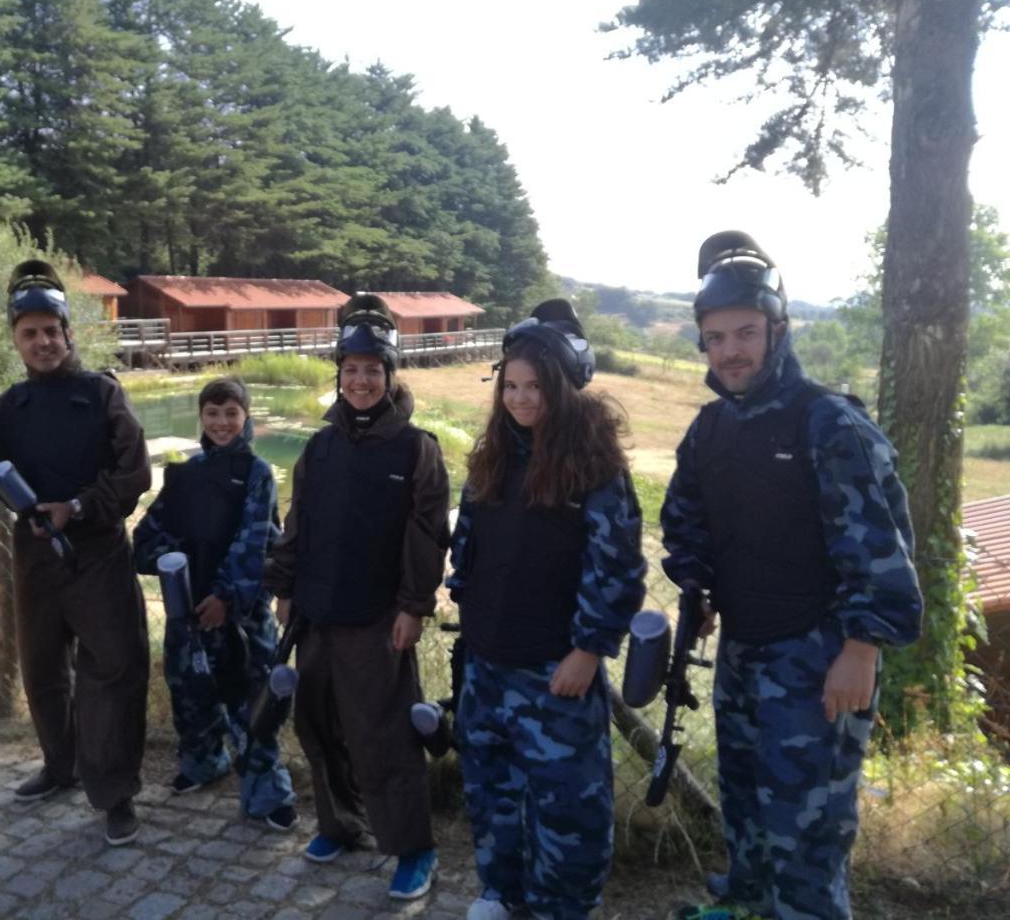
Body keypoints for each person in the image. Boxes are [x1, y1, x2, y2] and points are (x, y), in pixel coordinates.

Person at [661, 232, 923, 920]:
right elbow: (684, 523)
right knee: (746, 814)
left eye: (745, 333)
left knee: (807, 839)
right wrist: (700, 588)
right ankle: (747, 907)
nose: (731, 351)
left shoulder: (829, 425)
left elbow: (882, 549)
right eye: (716, 338)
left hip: (819, 657)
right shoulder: (711, 431)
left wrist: (862, 649)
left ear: (777, 329)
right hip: (745, 654)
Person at [447, 300, 646, 920]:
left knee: (567, 812)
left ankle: (561, 909)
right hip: (486, 663)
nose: (521, 399)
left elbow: (616, 568)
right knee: (491, 795)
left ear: (563, 387)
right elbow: (469, 550)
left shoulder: (594, 468)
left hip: (555, 672)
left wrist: (588, 650)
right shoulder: (491, 458)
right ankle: (502, 894)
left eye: (535, 386)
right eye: (511, 386)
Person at [263, 294, 450, 901]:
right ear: (338, 375)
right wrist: (284, 589)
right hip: (317, 611)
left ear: (390, 375)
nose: (361, 380)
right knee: (319, 726)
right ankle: (342, 825)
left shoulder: (417, 448)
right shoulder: (319, 448)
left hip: (379, 618)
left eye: (373, 370)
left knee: (386, 736)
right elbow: (297, 524)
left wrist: (413, 607)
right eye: (351, 370)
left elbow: (427, 536)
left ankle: (413, 847)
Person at [0, 260, 152, 846]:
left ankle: (115, 791)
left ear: (68, 333)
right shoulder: (7, 410)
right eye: (30, 334)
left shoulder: (101, 394)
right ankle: (60, 765)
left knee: (114, 670)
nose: (43, 342)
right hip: (36, 562)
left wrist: (75, 507)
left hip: (97, 556)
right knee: (43, 668)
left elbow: (135, 474)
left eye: (51, 330)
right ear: (16, 341)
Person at [133, 375, 298, 830]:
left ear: (245, 418)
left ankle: (267, 791)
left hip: (240, 614)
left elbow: (255, 541)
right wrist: (181, 558)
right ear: (200, 418)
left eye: (231, 413)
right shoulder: (184, 474)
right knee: (189, 692)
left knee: (252, 703)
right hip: (188, 611)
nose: (221, 422)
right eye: (212, 413)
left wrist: (225, 595)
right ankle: (203, 761)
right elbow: (145, 539)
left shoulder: (257, 474)